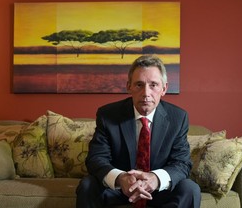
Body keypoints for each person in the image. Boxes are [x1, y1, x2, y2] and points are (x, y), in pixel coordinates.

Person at [76, 55, 201, 208]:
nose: (146, 93)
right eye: (139, 85)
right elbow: (96, 158)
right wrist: (121, 178)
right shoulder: (108, 115)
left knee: (190, 189)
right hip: (119, 189)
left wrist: (155, 179)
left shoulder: (178, 117)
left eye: (153, 85)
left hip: (159, 191)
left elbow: (182, 163)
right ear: (129, 86)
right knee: (88, 185)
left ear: (164, 88)